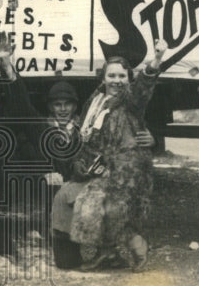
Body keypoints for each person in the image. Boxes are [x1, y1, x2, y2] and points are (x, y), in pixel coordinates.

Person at [52, 41, 167, 272]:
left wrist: (156, 60)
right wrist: (80, 166)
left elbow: (143, 88)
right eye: (111, 75)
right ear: (103, 79)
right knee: (64, 196)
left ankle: (136, 245)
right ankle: (104, 254)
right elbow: (87, 140)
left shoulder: (130, 101)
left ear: (128, 79)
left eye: (122, 76)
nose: (116, 80)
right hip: (100, 170)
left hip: (127, 174)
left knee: (98, 203)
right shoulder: (95, 103)